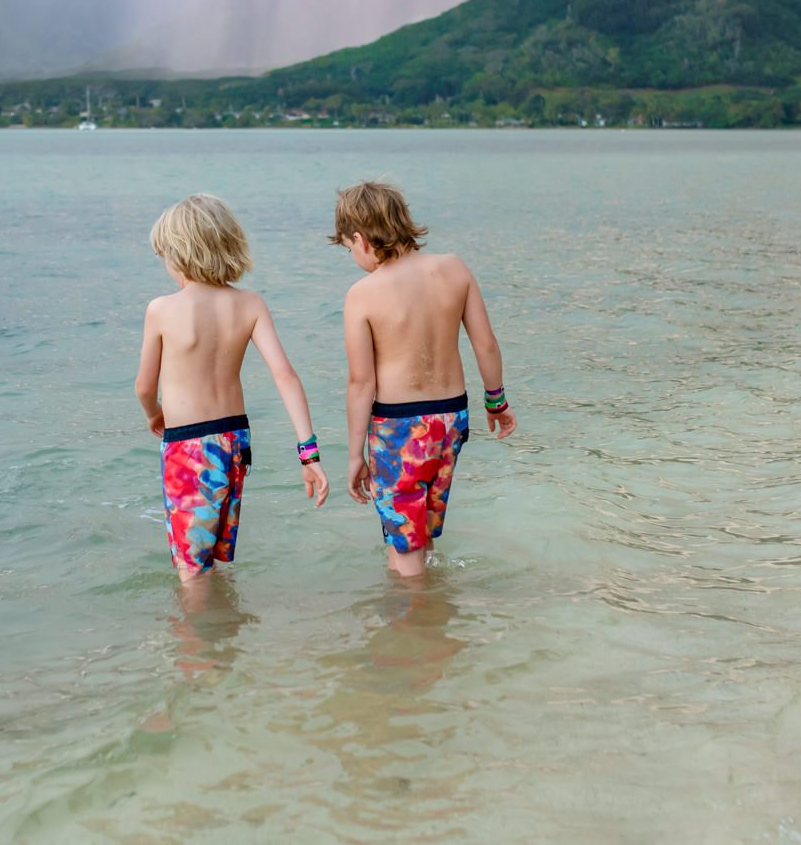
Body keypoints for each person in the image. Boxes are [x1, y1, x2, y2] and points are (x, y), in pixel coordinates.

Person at [135, 194, 329, 582]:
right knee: (214, 557)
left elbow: (143, 386)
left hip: (188, 445)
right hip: (234, 442)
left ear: (179, 254)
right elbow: (285, 375)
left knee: (192, 570)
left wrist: (153, 412)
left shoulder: (162, 309)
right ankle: (224, 634)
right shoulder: (249, 304)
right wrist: (309, 454)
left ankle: (199, 640)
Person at [332, 181, 516, 576]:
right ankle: (434, 605)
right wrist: (496, 401)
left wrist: (353, 456)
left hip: (399, 427)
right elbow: (486, 345)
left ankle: (417, 626)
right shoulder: (454, 268)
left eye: (349, 248)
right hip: (451, 419)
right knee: (425, 529)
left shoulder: (362, 294)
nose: (353, 257)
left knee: (403, 542)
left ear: (361, 239)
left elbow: (360, 383)